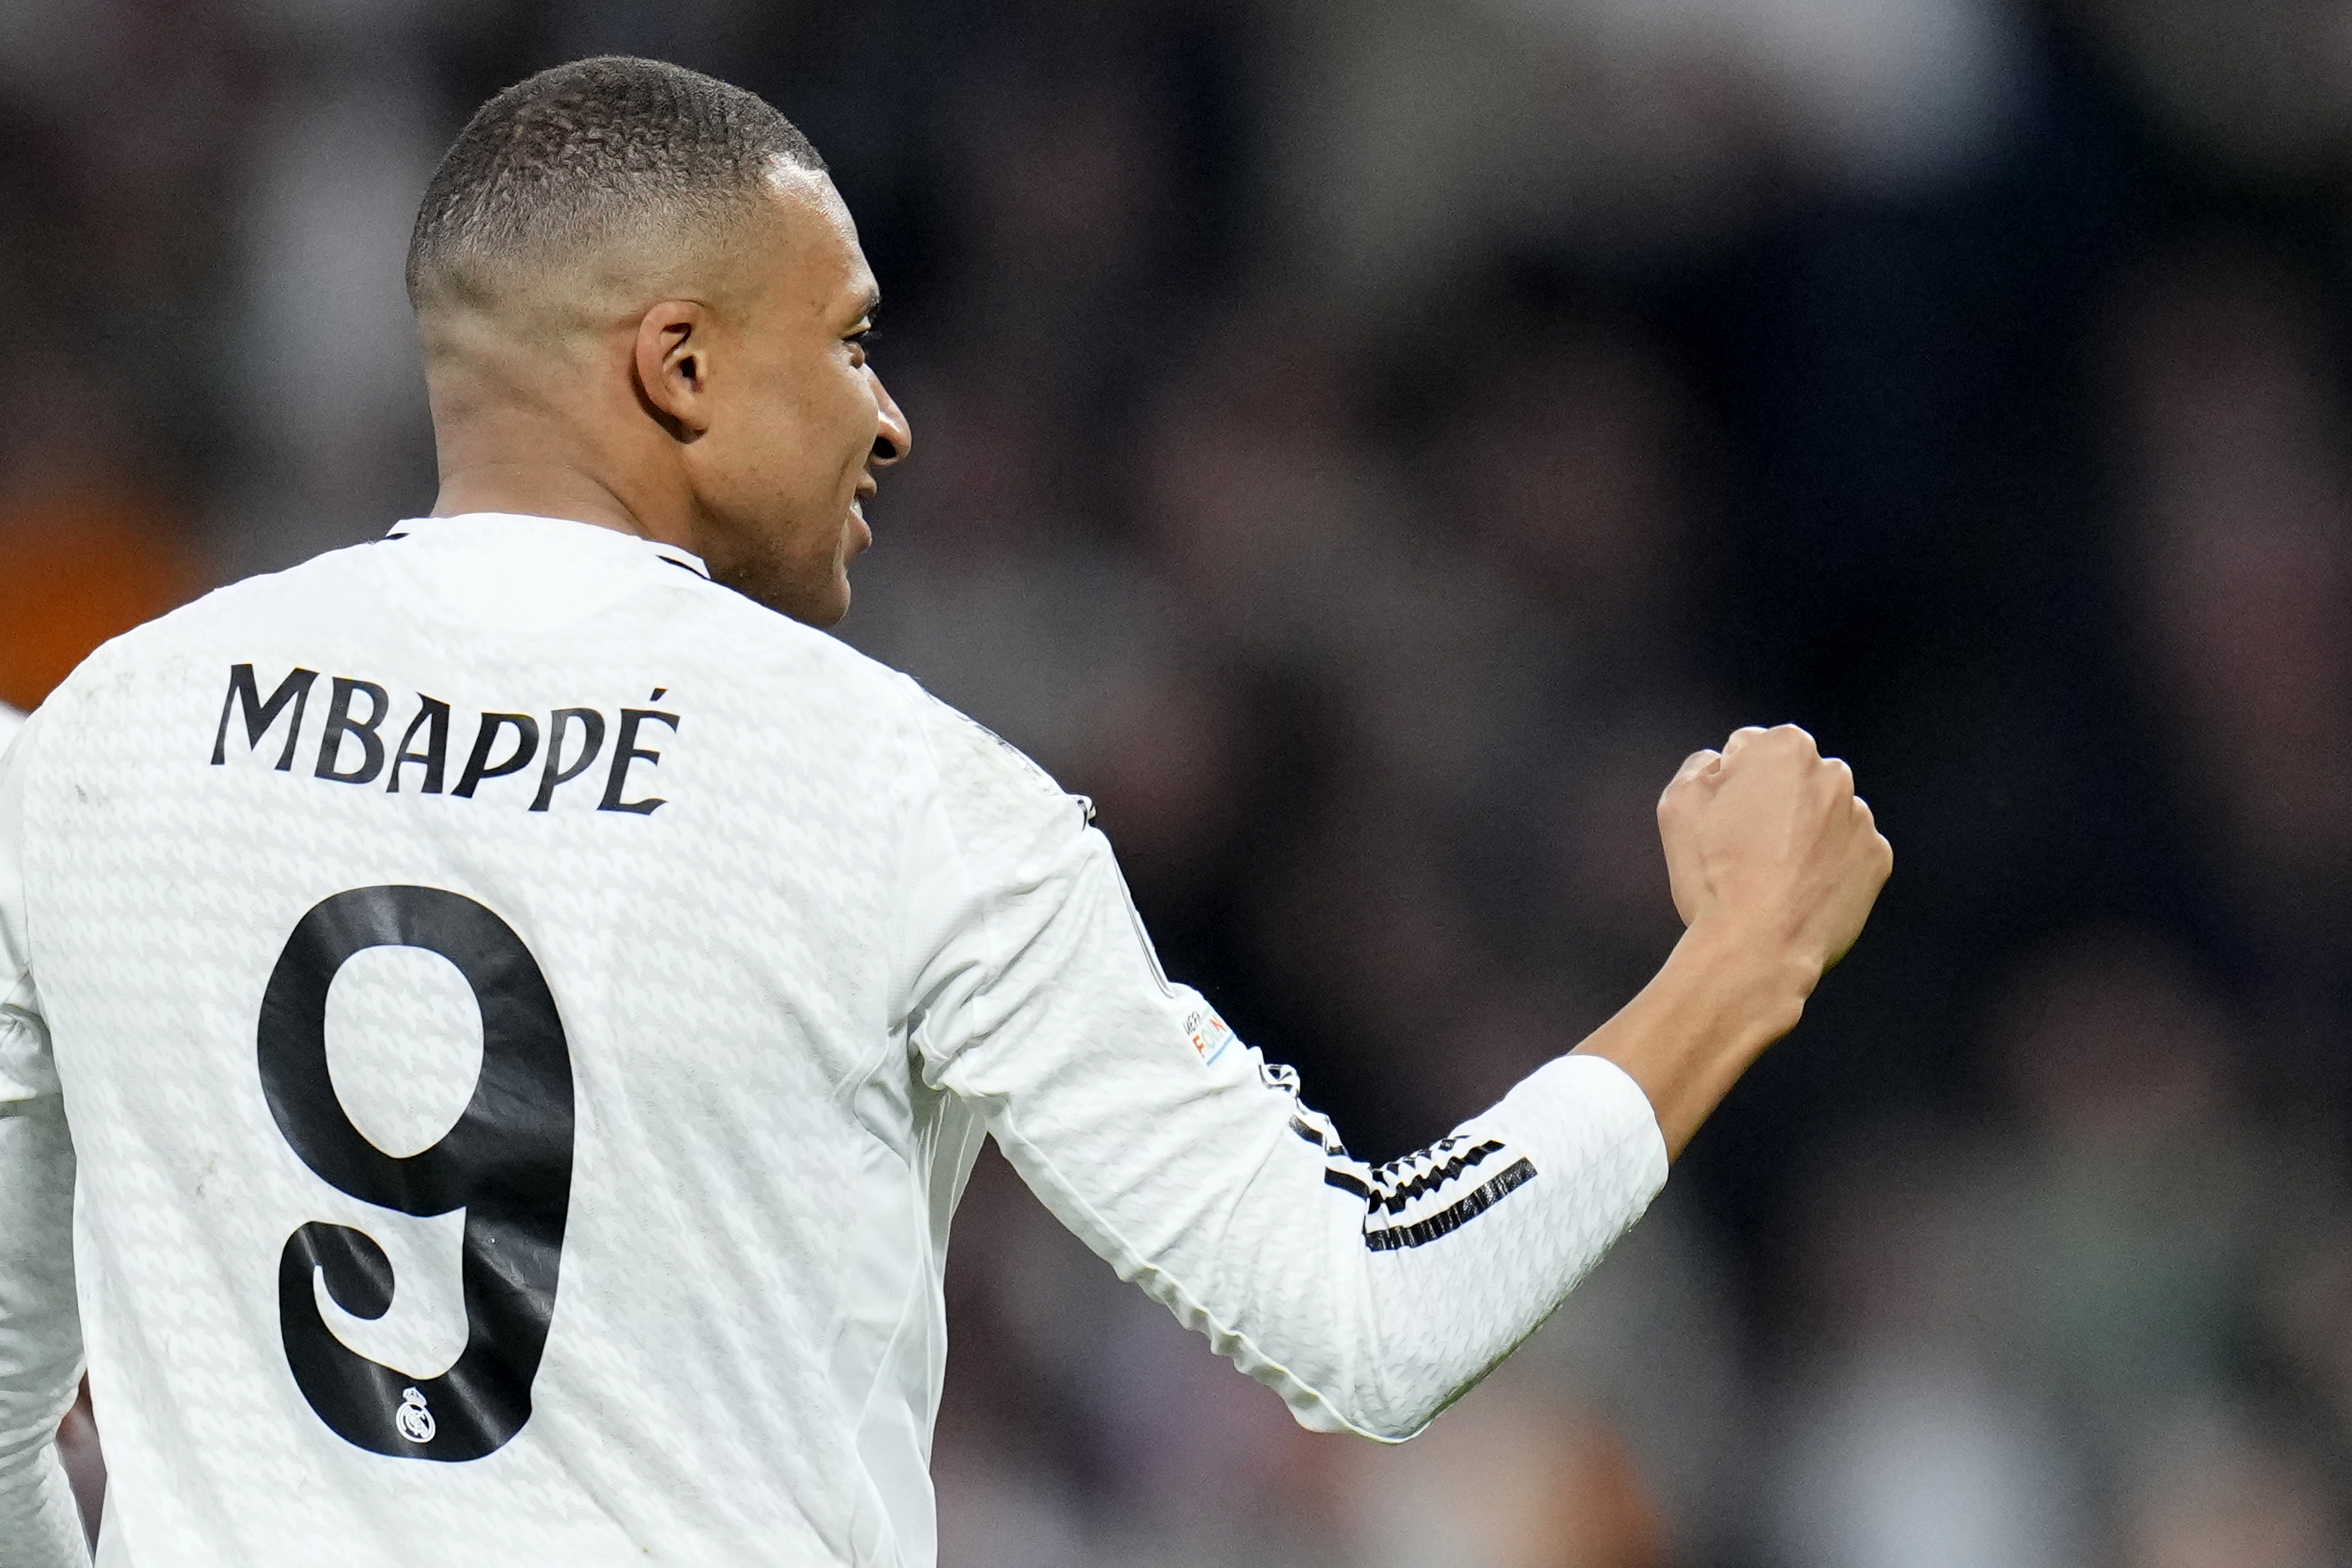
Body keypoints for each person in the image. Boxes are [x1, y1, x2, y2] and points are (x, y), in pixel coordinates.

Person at [0, 57, 1891, 1567]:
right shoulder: (898, 796)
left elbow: (5, 1420)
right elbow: (1366, 1313)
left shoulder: (102, 738)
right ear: (676, 365)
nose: (888, 417)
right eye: (841, 342)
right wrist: (1737, 961)